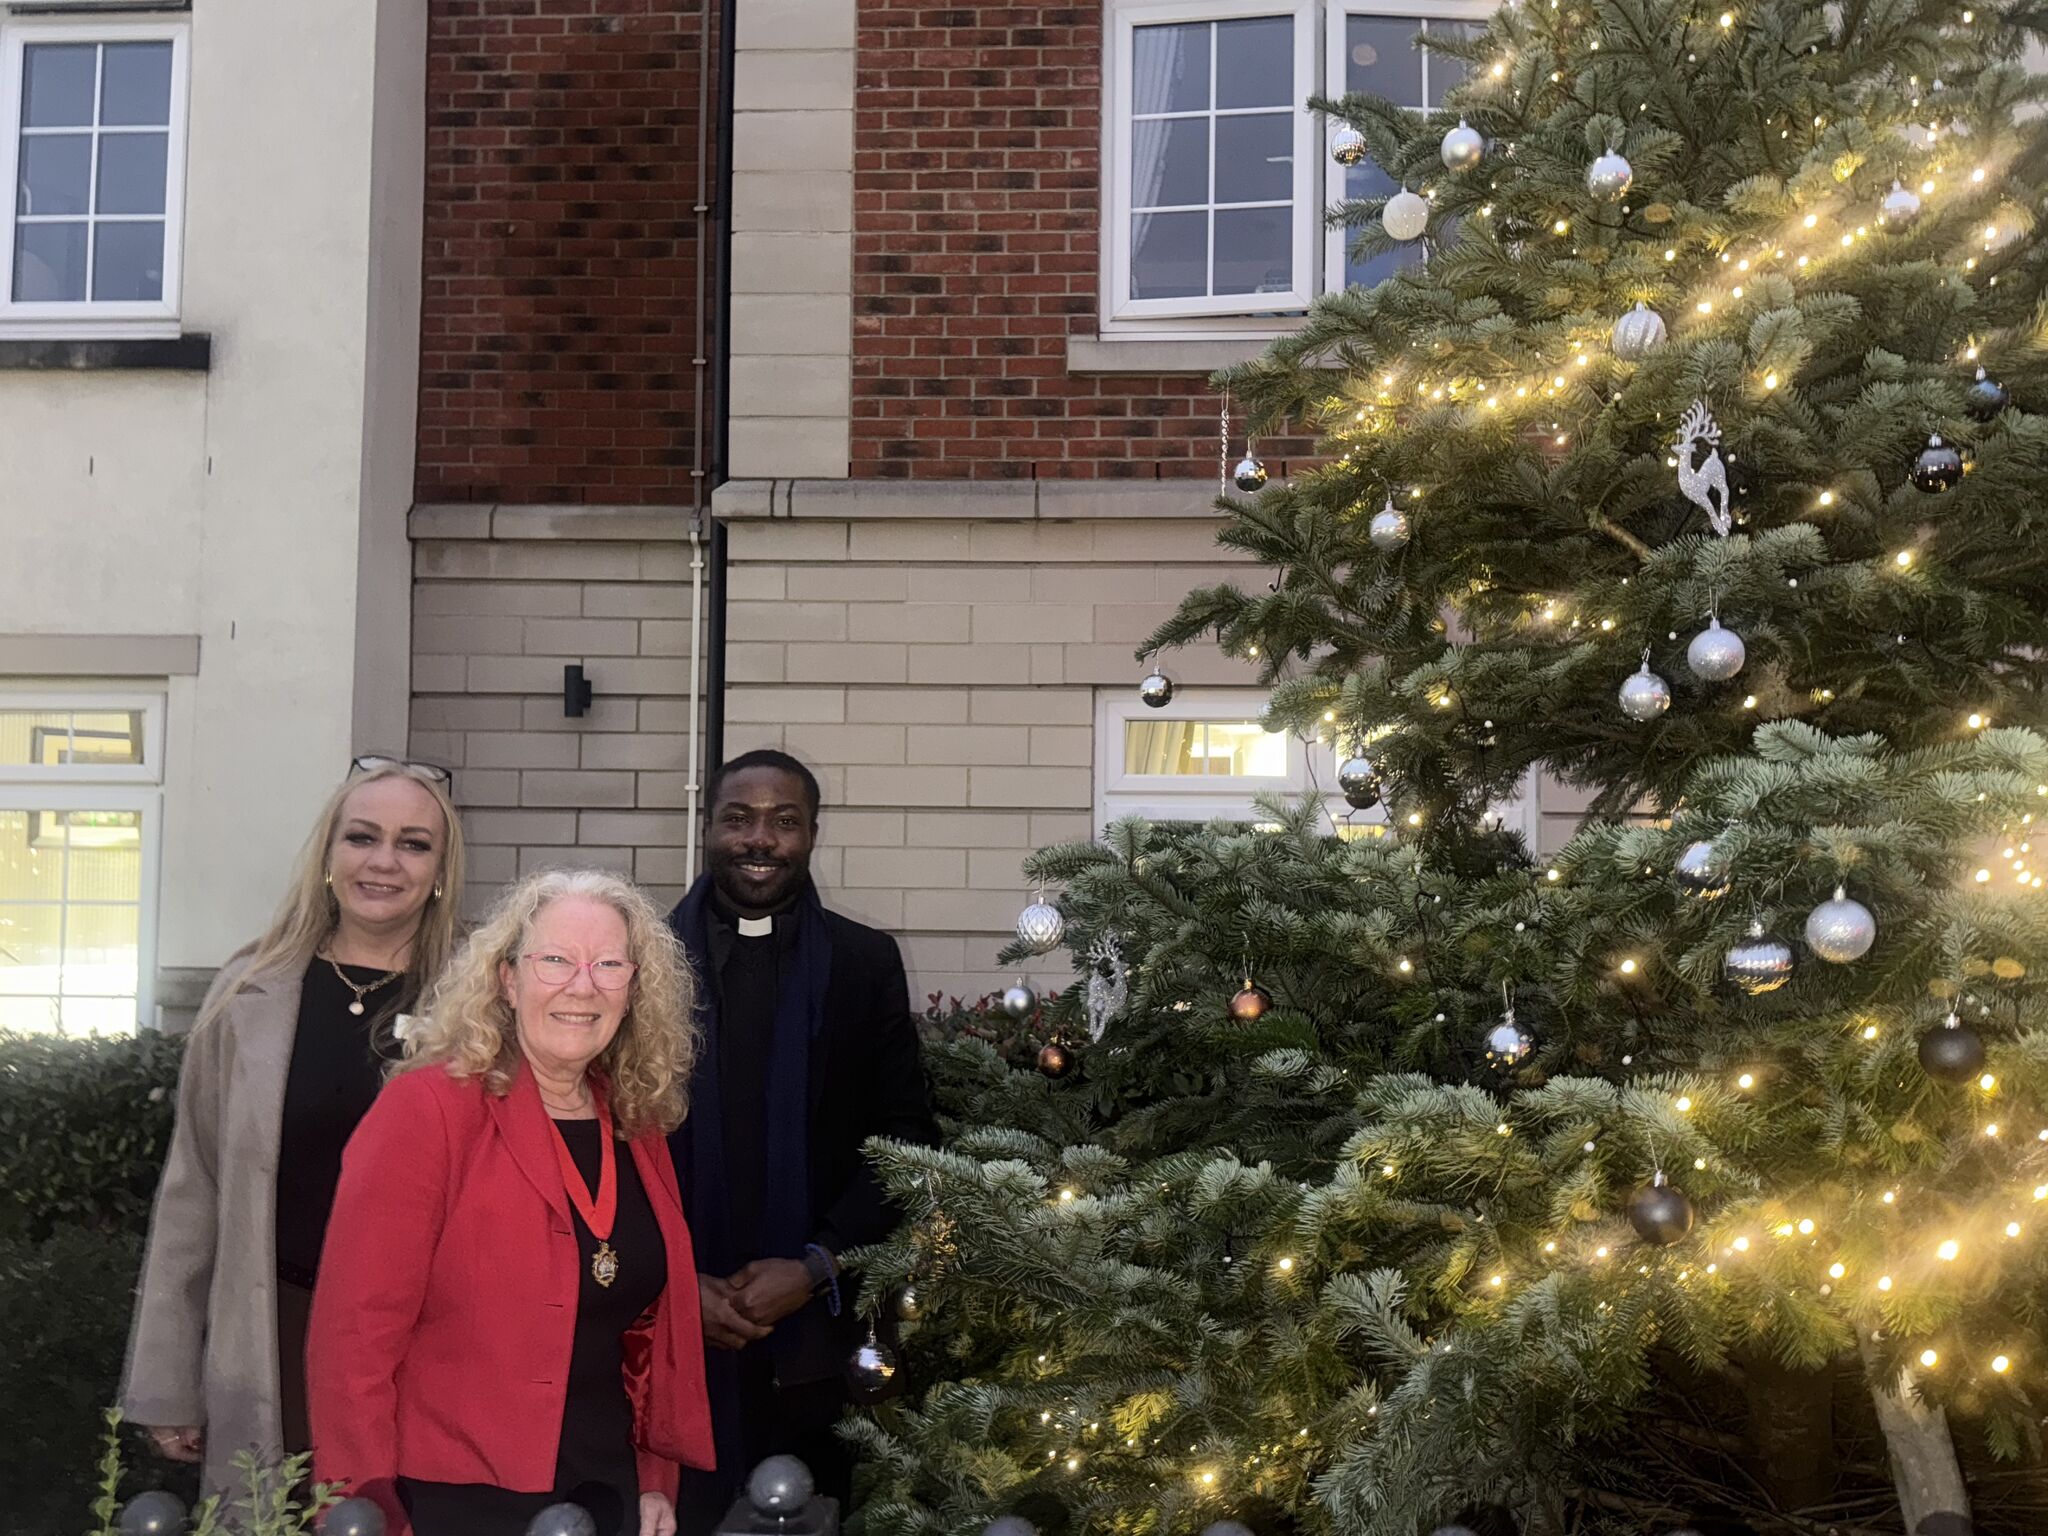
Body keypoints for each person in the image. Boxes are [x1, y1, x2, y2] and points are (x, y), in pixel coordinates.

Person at [307, 868, 714, 1536]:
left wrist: (652, 1481)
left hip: (605, 1493)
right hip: (449, 1500)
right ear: (508, 978)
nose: (582, 985)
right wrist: (365, 1509)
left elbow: (643, 1330)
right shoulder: (427, 1111)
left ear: (634, 988)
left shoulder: (637, 1122)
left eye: (609, 964)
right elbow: (353, 1342)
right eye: (554, 960)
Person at [123, 756, 466, 1489]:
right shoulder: (249, 991)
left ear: (441, 870)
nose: (384, 861)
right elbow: (193, 1193)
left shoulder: (480, 1002)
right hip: (276, 1329)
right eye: (362, 837)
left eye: (414, 844)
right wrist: (168, 1380)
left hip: (428, 1343)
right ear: (327, 857)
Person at [667, 748, 938, 1529]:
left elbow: (904, 1139)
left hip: (815, 1333)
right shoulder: (642, 960)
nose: (761, 840)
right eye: (739, 819)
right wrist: (681, 1282)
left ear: (813, 835)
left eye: (784, 823)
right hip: (671, 1318)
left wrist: (817, 1264)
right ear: (708, 827)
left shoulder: (862, 962)